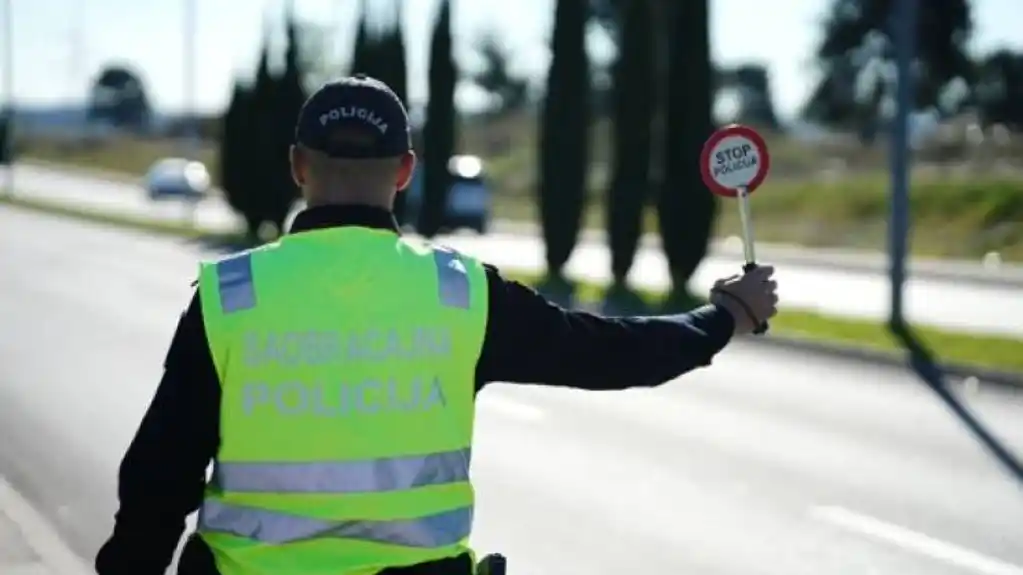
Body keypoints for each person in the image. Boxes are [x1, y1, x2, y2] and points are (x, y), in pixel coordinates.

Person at [94, 75, 778, 575]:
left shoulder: (229, 295)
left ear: (298, 166)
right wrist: (722, 316)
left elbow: (159, 477)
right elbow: (606, 352)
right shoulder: (461, 293)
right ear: (405, 171)